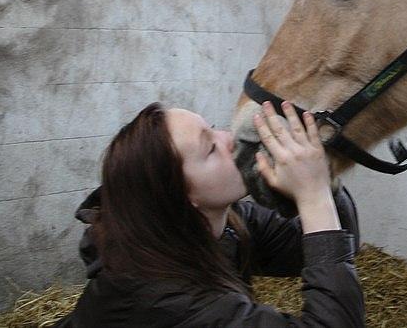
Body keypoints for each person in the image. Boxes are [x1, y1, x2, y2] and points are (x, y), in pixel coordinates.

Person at [55, 100, 364, 327]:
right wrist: (313, 197)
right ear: (182, 196)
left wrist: (325, 182)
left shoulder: (225, 223)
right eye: (210, 148)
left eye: (213, 129)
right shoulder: (166, 301)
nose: (229, 138)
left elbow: (339, 243)